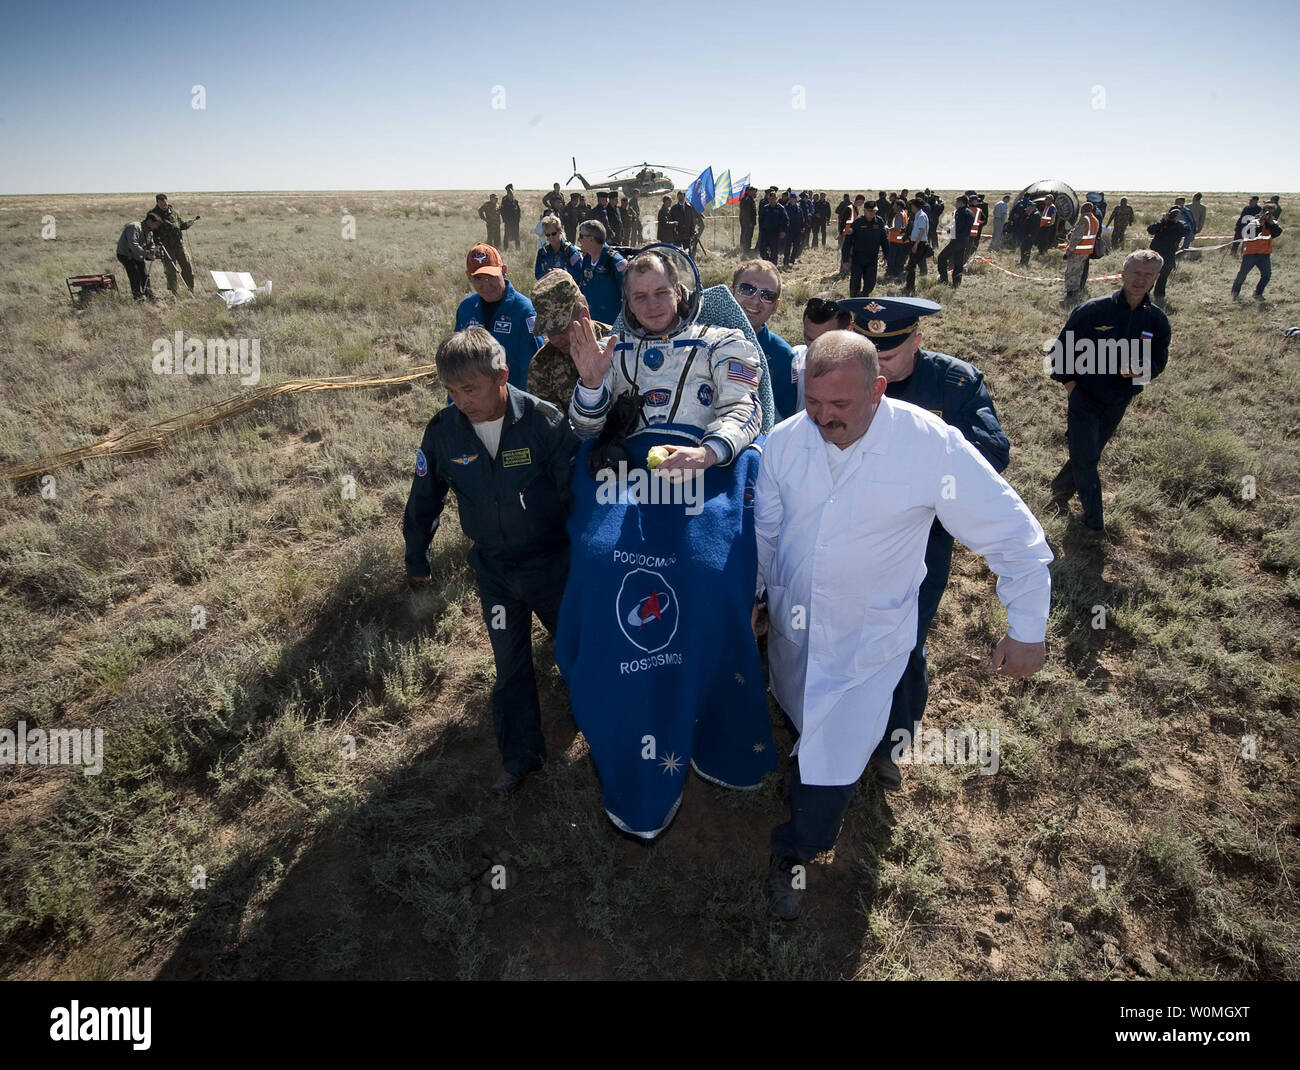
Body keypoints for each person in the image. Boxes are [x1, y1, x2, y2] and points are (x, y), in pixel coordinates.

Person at [755, 329, 1052, 919]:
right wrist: (758, 595)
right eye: (812, 403)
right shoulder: (786, 442)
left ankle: (797, 849)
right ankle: (811, 774)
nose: (822, 419)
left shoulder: (929, 447)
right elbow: (766, 529)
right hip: (796, 627)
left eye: (839, 406)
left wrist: (1027, 629)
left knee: (833, 757)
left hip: (867, 640)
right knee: (799, 714)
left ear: (878, 390)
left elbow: (1012, 534)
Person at [559, 245, 775, 839]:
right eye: (638, 296)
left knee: (706, 574)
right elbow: (586, 428)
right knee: (603, 564)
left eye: (661, 293)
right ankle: (619, 692)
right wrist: (592, 384)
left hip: (708, 465)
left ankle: (706, 713)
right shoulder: (615, 348)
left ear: (681, 291)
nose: (651, 306)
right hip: (632, 471)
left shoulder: (725, 342)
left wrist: (705, 452)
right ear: (626, 301)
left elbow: (745, 410)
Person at [841, 299, 1013, 791]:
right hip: (849, 530)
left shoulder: (953, 383)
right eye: (867, 353)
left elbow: (991, 453)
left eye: (888, 355)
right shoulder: (839, 373)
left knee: (905, 639)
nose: (876, 367)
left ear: (917, 341)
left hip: (922, 537)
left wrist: (912, 475)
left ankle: (890, 745)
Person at [404, 326, 579, 793]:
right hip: (496, 572)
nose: (460, 400)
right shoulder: (445, 432)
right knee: (510, 667)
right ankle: (521, 756)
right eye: (451, 391)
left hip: (553, 567)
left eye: (469, 389)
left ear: (502, 375)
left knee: (578, 654)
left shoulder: (544, 422)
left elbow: (576, 497)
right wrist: (415, 552)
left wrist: (588, 557)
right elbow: (425, 495)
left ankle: (600, 737)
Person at [1049, 250, 1171, 535]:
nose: (1140, 280)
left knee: (1088, 452)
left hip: (1119, 400)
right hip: (1084, 395)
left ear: (1156, 278)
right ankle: (1094, 524)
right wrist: (1070, 386)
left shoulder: (1156, 320)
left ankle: (1058, 490)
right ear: (1123, 273)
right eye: (1136, 273)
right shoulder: (1093, 310)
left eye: (1147, 275)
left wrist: (1140, 369)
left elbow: (1159, 362)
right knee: (1088, 458)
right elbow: (1060, 350)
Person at [454, 244, 543, 391]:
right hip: (475, 401)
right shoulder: (466, 308)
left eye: (491, 276)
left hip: (511, 402)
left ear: (504, 270)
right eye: (478, 278)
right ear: (469, 277)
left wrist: (518, 407)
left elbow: (534, 370)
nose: (485, 284)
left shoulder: (524, 311)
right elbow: (458, 361)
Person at [527, 269, 609, 405]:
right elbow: (546, 423)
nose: (555, 340)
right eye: (549, 332)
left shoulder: (619, 345)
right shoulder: (541, 366)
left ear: (584, 316)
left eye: (562, 329)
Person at [733, 259, 798, 422]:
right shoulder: (701, 337)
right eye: (747, 289)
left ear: (775, 306)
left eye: (767, 295)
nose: (755, 300)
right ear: (730, 292)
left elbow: (783, 421)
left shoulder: (783, 356)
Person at [575, 219, 629, 325]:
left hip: (612, 326)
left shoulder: (615, 261)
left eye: (581, 236)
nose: (578, 239)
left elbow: (630, 294)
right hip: (591, 324)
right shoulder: (587, 259)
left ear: (591, 239)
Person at [1231, 205, 1282, 300]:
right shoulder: (1254, 222)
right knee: (1242, 274)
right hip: (1251, 253)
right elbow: (1251, 235)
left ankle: (1258, 293)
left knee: (1266, 275)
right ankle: (1235, 293)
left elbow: (1277, 233)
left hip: (1264, 254)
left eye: (1271, 213)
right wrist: (1261, 224)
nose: (1268, 215)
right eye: (1267, 212)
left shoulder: (1273, 223)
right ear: (1262, 212)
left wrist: (1270, 223)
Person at [841, 202, 889, 298]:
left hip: (872, 258)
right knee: (855, 281)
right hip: (858, 257)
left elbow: (884, 240)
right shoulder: (857, 223)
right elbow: (848, 242)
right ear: (864, 211)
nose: (872, 213)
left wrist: (886, 256)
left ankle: (864, 295)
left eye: (874, 211)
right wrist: (845, 260)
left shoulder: (879, 222)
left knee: (871, 282)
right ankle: (854, 299)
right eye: (869, 211)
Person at [151, 194, 196, 293]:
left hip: (179, 245)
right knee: (171, 271)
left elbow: (180, 225)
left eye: (165, 202)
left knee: (187, 267)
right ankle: (173, 293)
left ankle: (190, 289)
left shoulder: (174, 212)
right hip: (166, 247)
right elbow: (151, 230)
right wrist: (156, 246)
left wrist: (187, 224)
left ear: (167, 201)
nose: (163, 204)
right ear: (157, 203)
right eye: (161, 203)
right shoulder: (153, 215)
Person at [1146, 206, 1188, 306]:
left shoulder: (1179, 226)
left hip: (1168, 255)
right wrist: (1163, 221)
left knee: (1163, 277)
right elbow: (1150, 230)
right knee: (1150, 276)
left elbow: (1184, 232)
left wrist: (1175, 222)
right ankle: (1144, 294)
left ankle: (1159, 297)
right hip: (1155, 254)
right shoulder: (1162, 224)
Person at [115, 213, 163, 300]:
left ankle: (149, 295)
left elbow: (151, 244)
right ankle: (138, 297)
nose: (156, 227)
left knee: (144, 274)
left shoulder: (149, 231)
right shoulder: (134, 227)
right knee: (135, 275)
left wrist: (153, 252)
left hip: (138, 255)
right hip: (126, 255)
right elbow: (133, 245)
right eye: (156, 225)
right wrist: (147, 254)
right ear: (149, 221)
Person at [1063, 201, 1100, 303]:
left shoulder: (1085, 219)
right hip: (1087, 251)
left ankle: (1071, 293)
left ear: (1084, 210)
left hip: (1077, 251)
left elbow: (1076, 237)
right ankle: (1076, 290)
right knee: (1079, 272)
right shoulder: (1095, 220)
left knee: (1071, 272)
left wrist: (1068, 251)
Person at [936, 196, 972, 287]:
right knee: (958, 262)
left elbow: (958, 226)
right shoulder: (970, 212)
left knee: (941, 257)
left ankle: (943, 279)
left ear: (962, 203)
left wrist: (949, 230)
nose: (956, 204)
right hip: (965, 240)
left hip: (957, 240)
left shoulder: (960, 212)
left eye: (957, 202)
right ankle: (956, 283)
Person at [534, 215, 582, 280]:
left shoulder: (570, 251)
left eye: (554, 233)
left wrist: (561, 273)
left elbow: (578, 272)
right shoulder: (542, 253)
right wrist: (549, 274)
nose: (551, 237)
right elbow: (538, 274)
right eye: (548, 235)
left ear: (560, 231)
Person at [904, 198, 933, 293]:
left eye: (912, 206)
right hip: (918, 242)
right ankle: (920, 284)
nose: (911, 208)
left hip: (919, 243)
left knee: (911, 265)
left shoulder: (921, 216)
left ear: (915, 206)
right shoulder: (918, 215)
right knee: (917, 263)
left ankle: (910, 287)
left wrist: (916, 244)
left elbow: (922, 231)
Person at [757, 188, 786, 264]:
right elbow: (761, 220)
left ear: (776, 198)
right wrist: (761, 231)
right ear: (768, 199)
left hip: (775, 233)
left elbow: (785, 220)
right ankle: (767, 262)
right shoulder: (765, 208)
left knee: (774, 251)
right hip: (766, 233)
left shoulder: (781, 208)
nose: (772, 200)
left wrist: (783, 231)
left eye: (773, 198)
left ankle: (773, 266)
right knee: (762, 250)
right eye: (770, 198)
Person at [885, 198, 910, 279]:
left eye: (895, 205)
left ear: (899, 206)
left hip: (896, 240)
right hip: (901, 240)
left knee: (892, 258)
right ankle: (898, 273)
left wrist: (888, 229)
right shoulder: (904, 213)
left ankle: (890, 274)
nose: (893, 207)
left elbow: (897, 228)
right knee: (899, 258)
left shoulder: (899, 214)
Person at [500, 185, 523, 250]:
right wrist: (504, 219)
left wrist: (518, 219)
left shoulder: (515, 201)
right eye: (509, 193)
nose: (511, 194)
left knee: (516, 235)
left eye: (512, 193)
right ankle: (505, 248)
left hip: (515, 221)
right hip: (508, 221)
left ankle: (518, 248)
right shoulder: (504, 201)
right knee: (506, 235)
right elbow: (502, 211)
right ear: (507, 194)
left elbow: (518, 210)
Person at [738, 186, 758, 254]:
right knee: (747, 235)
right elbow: (746, 212)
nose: (755, 194)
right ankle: (745, 249)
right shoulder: (747, 199)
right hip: (747, 222)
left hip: (748, 221)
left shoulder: (749, 199)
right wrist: (749, 222)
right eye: (754, 192)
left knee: (747, 235)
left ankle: (745, 248)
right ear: (748, 191)